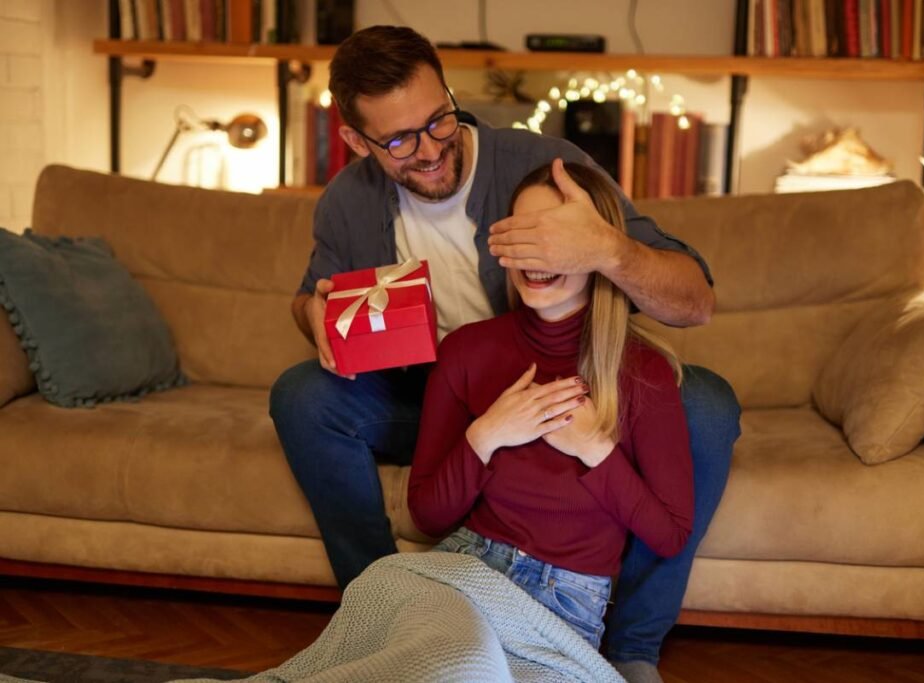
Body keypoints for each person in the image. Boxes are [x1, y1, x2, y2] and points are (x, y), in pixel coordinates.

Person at [269, 24, 741, 681]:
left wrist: (605, 248)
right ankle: (373, 605)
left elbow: (696, 298)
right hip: (432, 394)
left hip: (564, 386)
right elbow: (305, 299)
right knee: (301, 395)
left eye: (440, 120)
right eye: (401, 140)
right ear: (355, 140)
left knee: (709, 404)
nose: (432, 150)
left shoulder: (540, 167)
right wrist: (314, 315)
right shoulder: (348, 203)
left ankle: (631, 646)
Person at [408, 161, 694, 651]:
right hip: (467, 567)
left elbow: (669, 536)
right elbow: (427, 516)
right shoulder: (466, 351)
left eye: (555, 238)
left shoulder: (642, 371)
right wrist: (487, 434)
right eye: (524, 236)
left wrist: (595, 450)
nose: (535, 257)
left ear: (596, 251)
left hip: (568, 595)